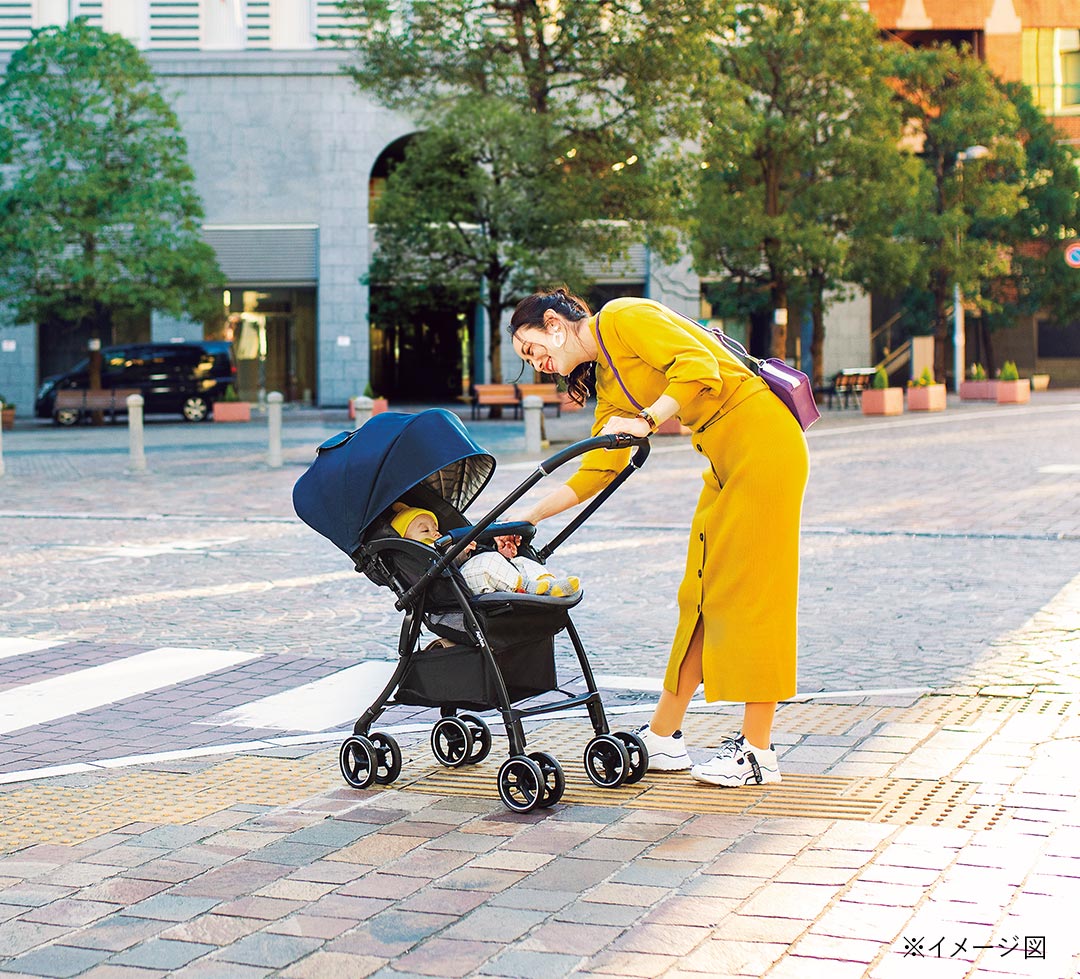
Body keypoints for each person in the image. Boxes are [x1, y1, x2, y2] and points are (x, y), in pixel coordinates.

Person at [509, 289, 809, 787]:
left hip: (763, 444)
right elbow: (597, 469)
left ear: (553, 323)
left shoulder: (625, 316)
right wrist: (527, 518)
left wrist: (648, 419)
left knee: (753, 594)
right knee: (699, 593)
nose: (537, 363)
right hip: (724, 459)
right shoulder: (609, 381)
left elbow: (698, 366)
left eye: (530, 347)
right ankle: (664, 737)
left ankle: (758, 751)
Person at [389, 503, 581, 598]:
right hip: (458, 584)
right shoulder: (420, 554)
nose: (434, 533)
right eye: (424, 530)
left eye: (436, 529)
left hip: (487, 573)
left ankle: (548, 583)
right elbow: (443, 564)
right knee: (486, 564)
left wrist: (503, 554)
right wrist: (459, 550)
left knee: (522, 562)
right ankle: (529, 587)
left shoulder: (446, 541)